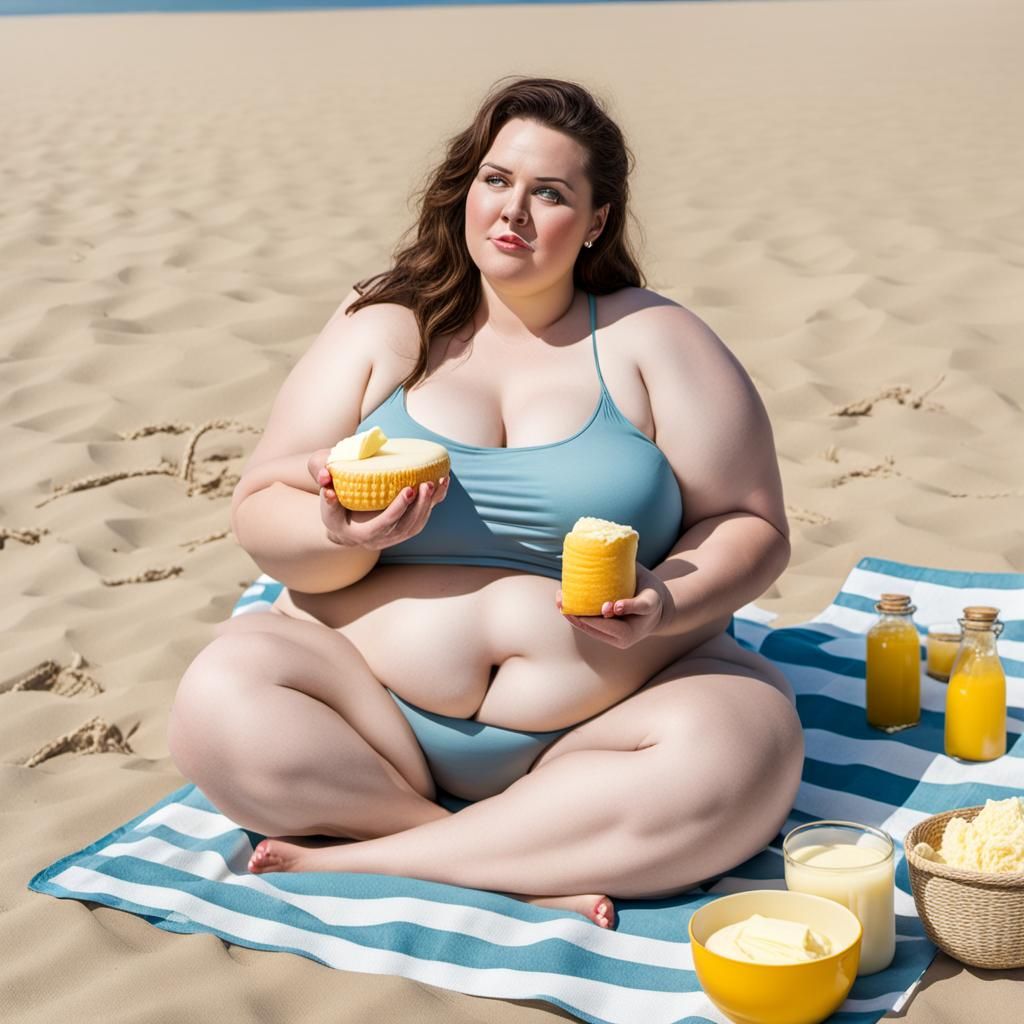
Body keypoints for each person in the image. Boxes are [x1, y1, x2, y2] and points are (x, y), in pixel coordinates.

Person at [167, 76, 804, 930]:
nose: (514, 212)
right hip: (372, 727)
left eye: (551, 193)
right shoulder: (384, 328)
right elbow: (259, 508)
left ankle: (373, 858)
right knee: (219, 694)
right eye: (497, 180)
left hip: (605, 724)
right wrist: (336, 529)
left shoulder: (652, 339)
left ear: (598, 221)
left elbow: (753, 525)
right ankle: (497, 858)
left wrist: (667, 600)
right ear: (467, 188)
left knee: (745, 747)